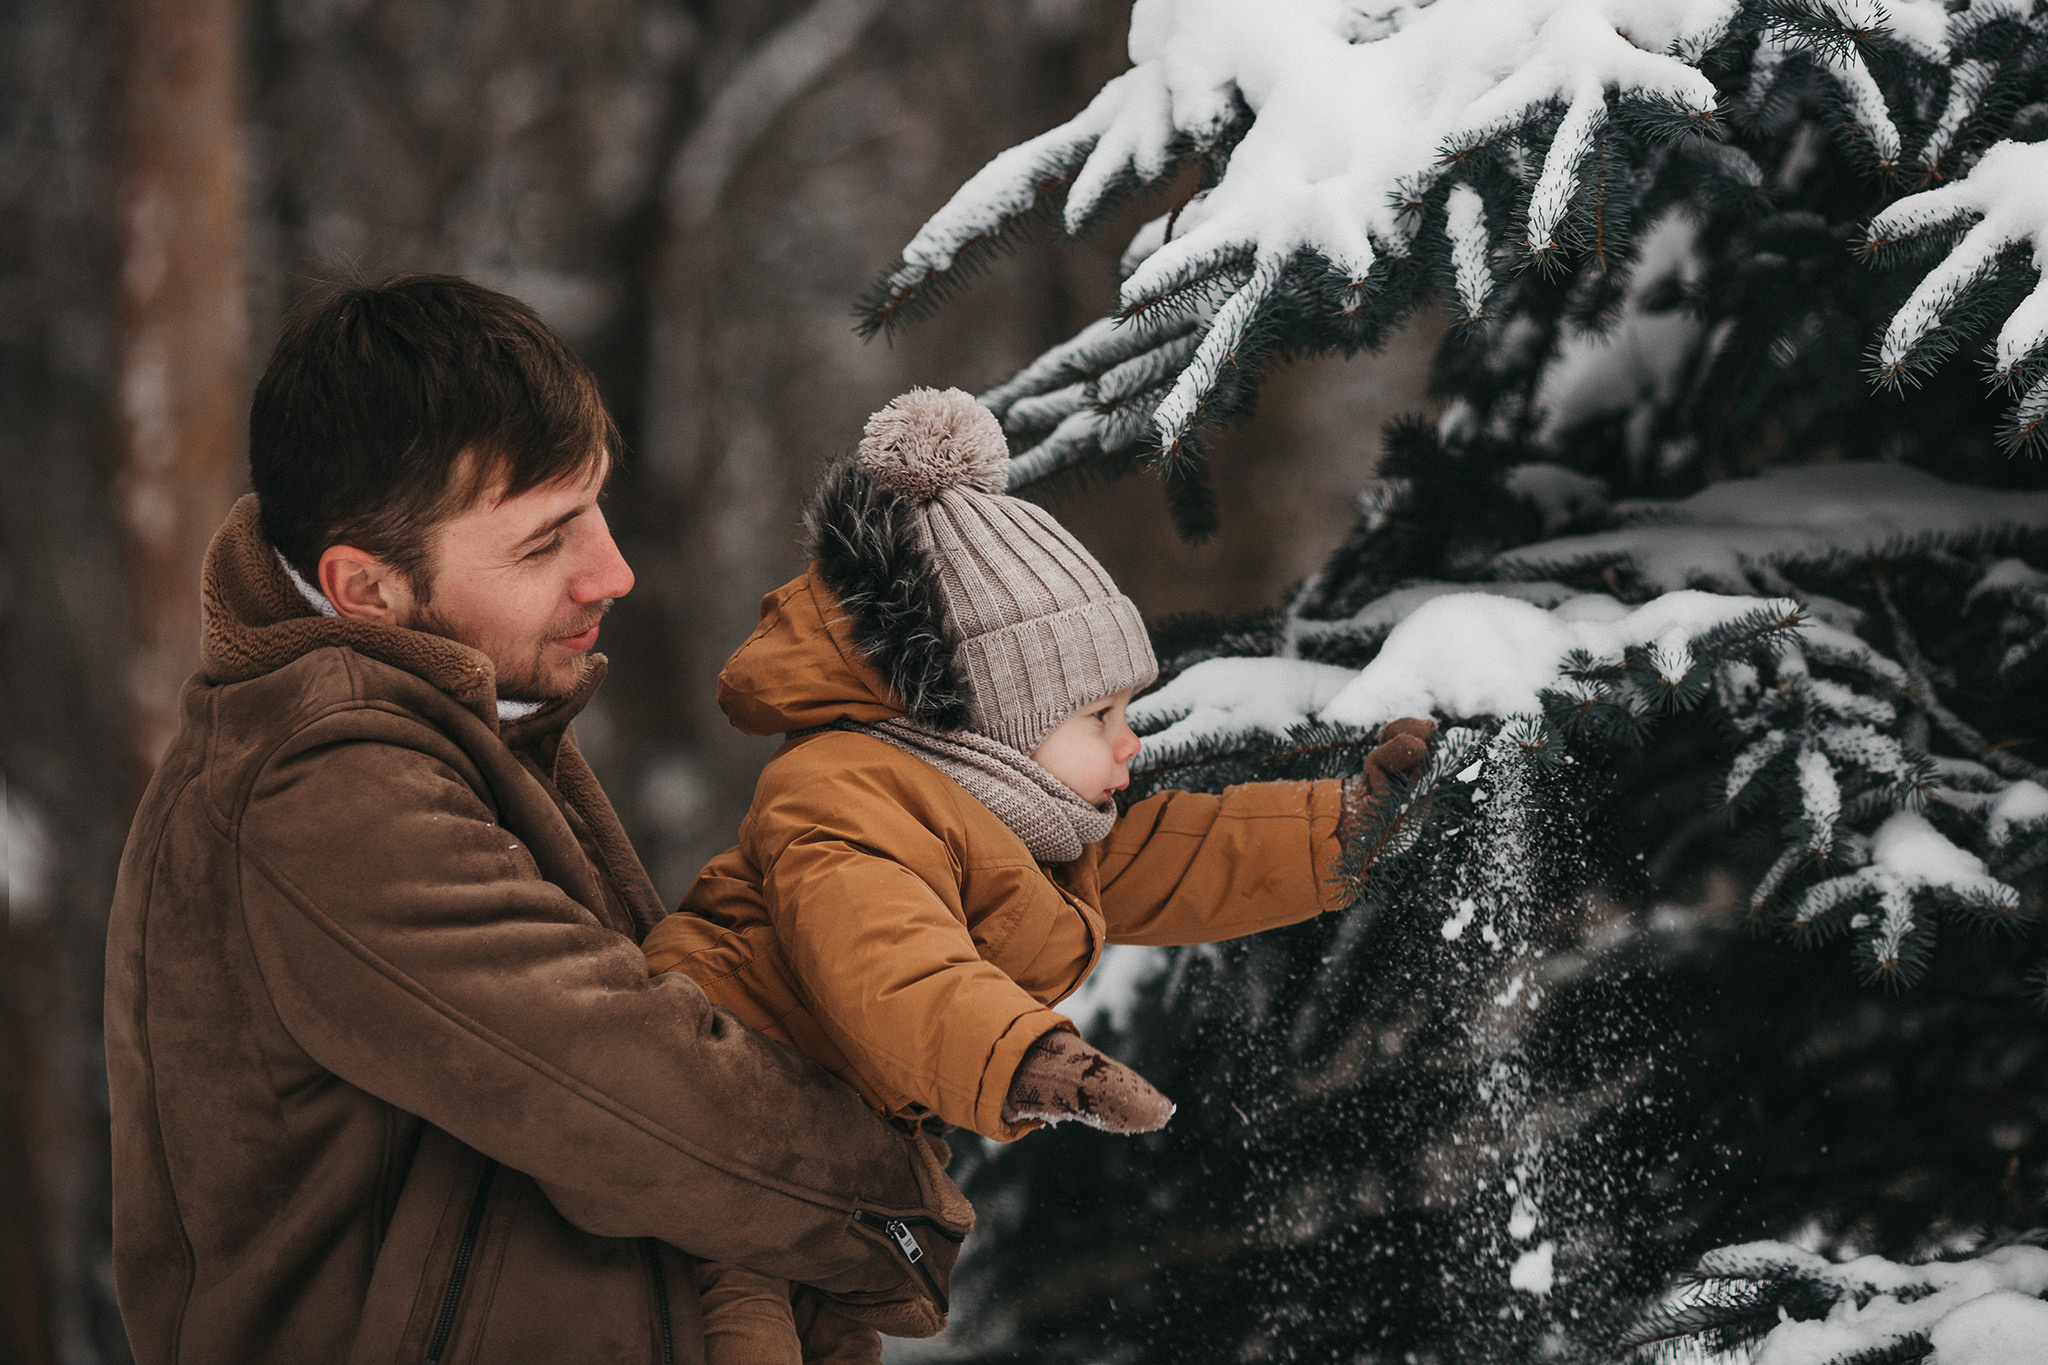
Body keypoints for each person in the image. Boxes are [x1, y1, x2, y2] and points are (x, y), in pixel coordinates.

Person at [103, 276, 970, 1365]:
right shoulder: (319, 784)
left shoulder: (450, 721)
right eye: (543, 540)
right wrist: (902, 1203)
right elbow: (638, 1094)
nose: (612, 569)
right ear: (365, 588)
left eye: (596, 504)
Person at [643, 386, 1434, 1364]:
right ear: (992, 723)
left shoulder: (1022, 826)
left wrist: (1345, 829)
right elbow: (886, 960)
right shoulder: (841, 792)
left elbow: (1184, 856)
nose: (1129, 740)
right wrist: (1027, 1058)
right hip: (714, 1119)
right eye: (1097, 715)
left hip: (818, 1155)